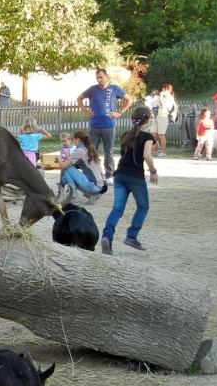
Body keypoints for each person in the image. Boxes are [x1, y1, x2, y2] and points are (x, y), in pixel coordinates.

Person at [99, 106, 158, 255]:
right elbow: (146, 155)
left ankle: (107, 236)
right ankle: (131, 236)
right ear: (148, 120)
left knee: (117, 209)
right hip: (135, 177)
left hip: (120, 176)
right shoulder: (148, 137)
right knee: (143, 206)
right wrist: (153, 171)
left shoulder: (126, 135)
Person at [77, 67, 134, 180]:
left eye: (101, 77)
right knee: (92, 151)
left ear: (107, 77)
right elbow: (79, 99)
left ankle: (110, 175)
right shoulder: (93, 89)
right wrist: (85, 110)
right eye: (97, 78)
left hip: (109, 125)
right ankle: (94, 174)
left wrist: (120, 112)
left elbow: (130, 100)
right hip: (94, 126)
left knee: (109, 152)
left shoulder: (115, 89)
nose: (99, 80)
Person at [58, 130, 106, 205]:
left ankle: (74, 199)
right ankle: (92, 195)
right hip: (101, 185)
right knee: (66, 177)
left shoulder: (80, 151)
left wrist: (58, 157)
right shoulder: (88, 149)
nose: (72, 142)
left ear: (78, 139)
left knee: (66, 169)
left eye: (73, 139)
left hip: (94, 186)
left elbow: (63, 166)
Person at [154, 83, 178, 157]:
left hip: (164, 117)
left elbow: (163, 105)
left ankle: (163, 152)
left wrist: (161, 96)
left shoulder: (169, 97)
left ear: (168, 90)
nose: (162, 90)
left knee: (161, 135)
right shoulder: (164, 97)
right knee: (155, 134)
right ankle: (157, 149)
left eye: (164, 89)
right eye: (162, 88)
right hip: (159, 116)